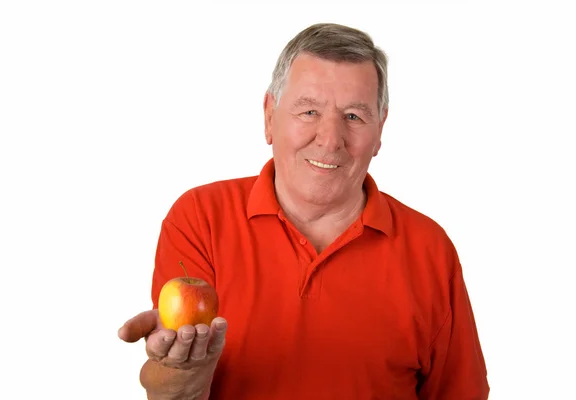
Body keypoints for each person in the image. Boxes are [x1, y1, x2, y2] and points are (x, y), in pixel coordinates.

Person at [118, 22, 490, 399]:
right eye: (309, 111)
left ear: (380, 131)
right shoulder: (200, 218)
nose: (330, 140)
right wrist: (183, 372)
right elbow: (168, 392)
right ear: (269, 116)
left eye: (354, 117)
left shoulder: (430, 248)